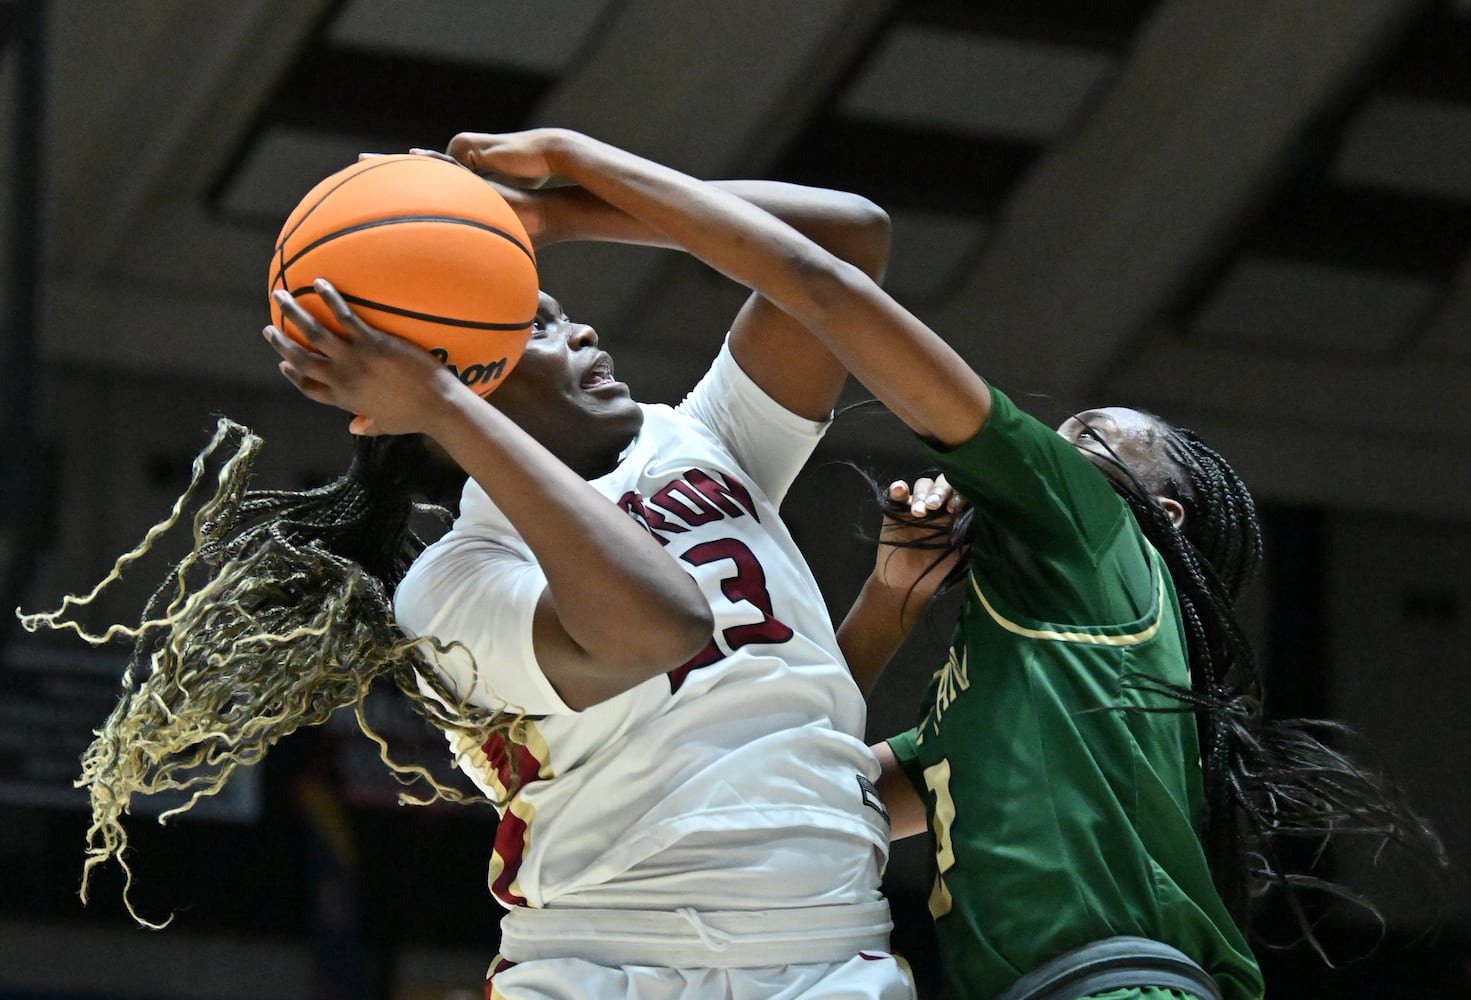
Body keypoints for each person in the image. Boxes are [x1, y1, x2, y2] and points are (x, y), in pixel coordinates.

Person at [407, 129, 1447, 1000]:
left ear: (1158, 513)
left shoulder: (1095, 535)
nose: (1058, 445)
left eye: (1092, 442)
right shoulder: (995, 671)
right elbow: (800, 774)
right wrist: (883, 610)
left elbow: (831, 270)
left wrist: (570, 186)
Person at [22, 143, 914, 997]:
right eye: (534, 322)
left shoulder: (707, 436)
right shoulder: (454, 581)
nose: (585, 328)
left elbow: (843, 242)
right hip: (611, 957)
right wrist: (443, 402)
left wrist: (556, 209)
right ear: (458, 385)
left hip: (825, 936)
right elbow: (656, 627)